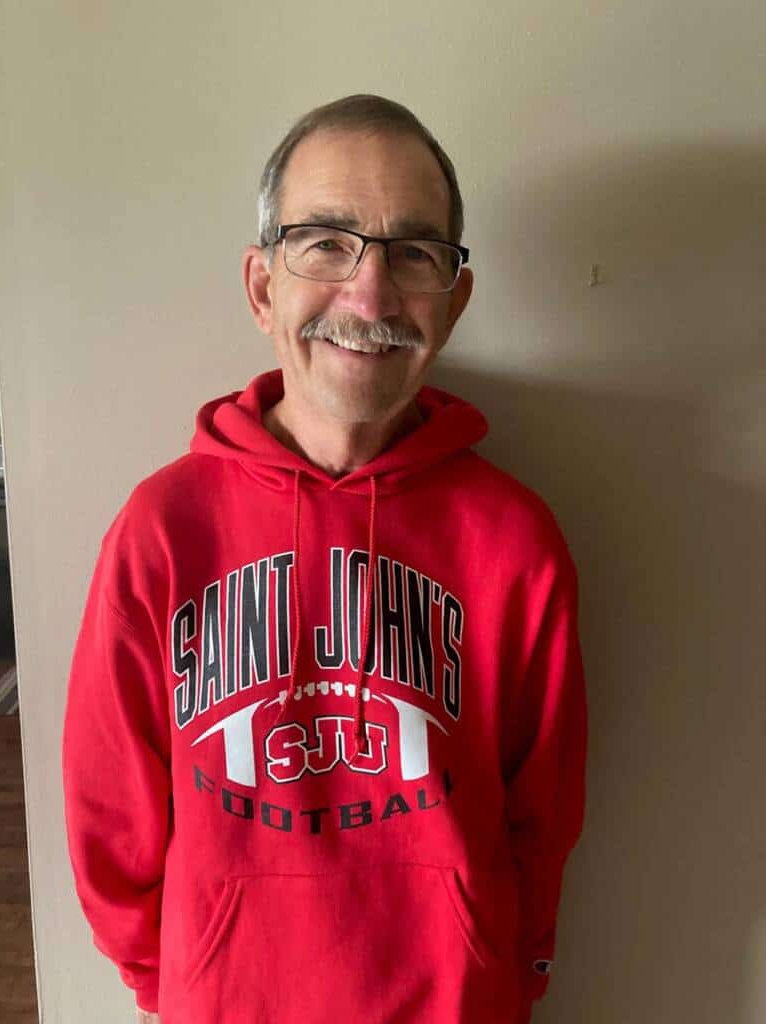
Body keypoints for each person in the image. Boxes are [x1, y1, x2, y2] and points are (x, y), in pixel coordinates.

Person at [62, 93, 588, 1024]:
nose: (372, 294)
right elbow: (111, 815)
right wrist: (177, 982)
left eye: (414, 252)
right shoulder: (161, 530)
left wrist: (510, 971)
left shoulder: (515, 541)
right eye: (326, 241)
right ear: (263, 285)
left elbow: (539, 818)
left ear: (454, 300)